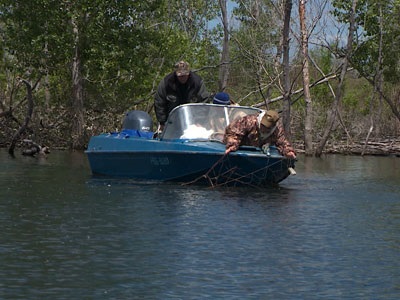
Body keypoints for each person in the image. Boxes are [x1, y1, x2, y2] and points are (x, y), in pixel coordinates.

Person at [154, 61, 211, 131]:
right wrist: (162, 122)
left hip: (193, 122)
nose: (183, 78)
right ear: (176, 73)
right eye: (180, 76)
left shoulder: (197, 82)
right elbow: (159, 102)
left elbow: (204, 102)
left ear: (189, 73)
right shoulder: (166, 83)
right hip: (171, 122)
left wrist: (199, 121)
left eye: (185, 75)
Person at [223, 110, 296, 159]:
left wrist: (288, 151)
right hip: (241, 149)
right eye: (263, 125)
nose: (264, 128)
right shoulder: (248, 121)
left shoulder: (277, 130)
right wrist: (232, 145)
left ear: (273, 125)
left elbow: (282, 142)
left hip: (257, 152)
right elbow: (234, 132)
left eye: (267, 127)